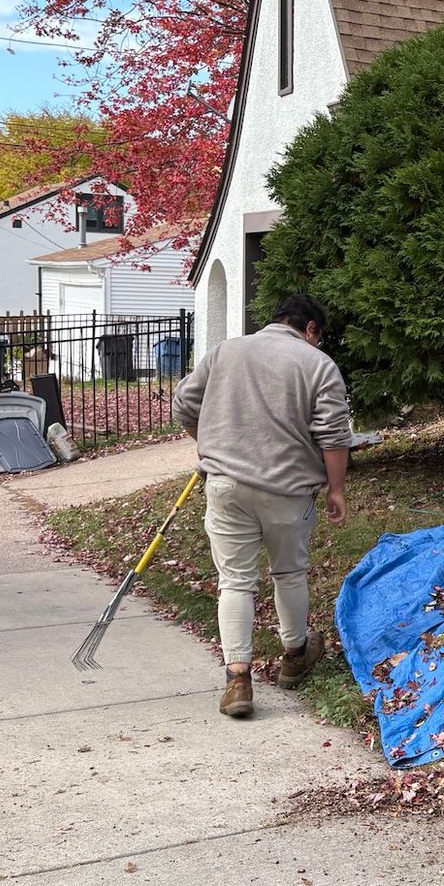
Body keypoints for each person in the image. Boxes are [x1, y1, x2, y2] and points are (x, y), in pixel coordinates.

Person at [172, 293, 351, 719]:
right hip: (288, 490)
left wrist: (213, 446)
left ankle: (238, 680)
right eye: (318, 337)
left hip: (226, 485)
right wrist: (336, 490)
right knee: (288, 572)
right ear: (310, 329)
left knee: (234, 581)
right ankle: (294, 655)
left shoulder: (226, 351)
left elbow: (184, 405)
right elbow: (334, 433)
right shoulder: (316, 365)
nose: (318, 344)